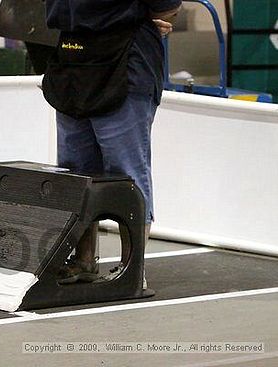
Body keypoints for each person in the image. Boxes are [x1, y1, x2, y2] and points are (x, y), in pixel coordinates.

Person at [42, 0, 182, 284]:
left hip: (126, 61)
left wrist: (135, 19)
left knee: (126, 173)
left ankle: (132, 270)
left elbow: (166, 5)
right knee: (74, 172)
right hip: (73, 60)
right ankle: (83, 260)